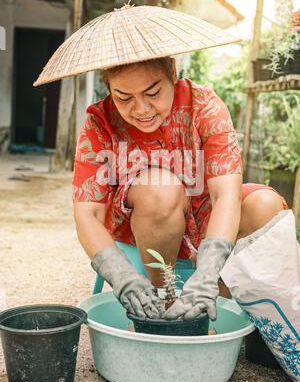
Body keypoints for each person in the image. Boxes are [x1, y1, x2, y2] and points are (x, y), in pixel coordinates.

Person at [72, 55, 288, 322]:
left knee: (266, 205)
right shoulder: (100, 122)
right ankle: (164, 303)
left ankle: (211, 305)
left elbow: (225, 195)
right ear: (109, 89)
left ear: (172, 71)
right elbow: (87, 214)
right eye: (123, 98)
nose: (141, 109)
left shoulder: (203, 105)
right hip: (143, 221)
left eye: (153, 92)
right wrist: (122, 275)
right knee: (161, 188)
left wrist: (207, 273)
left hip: (205, 216)